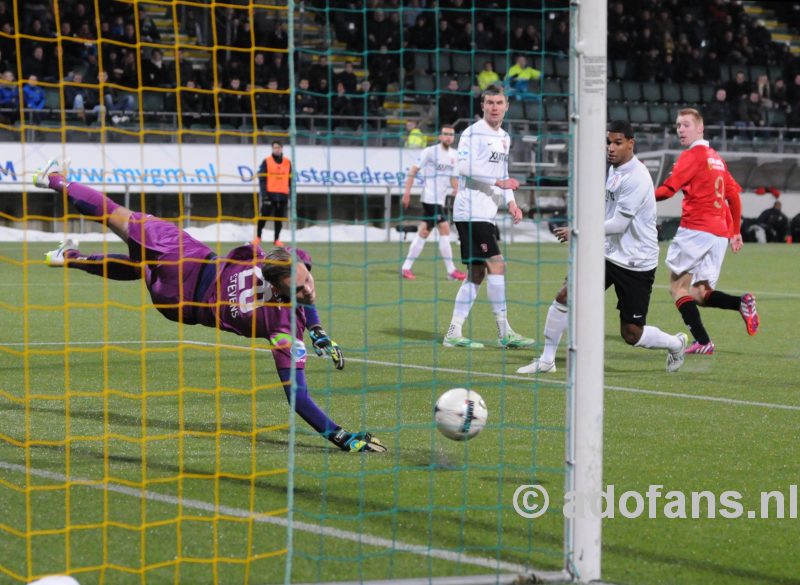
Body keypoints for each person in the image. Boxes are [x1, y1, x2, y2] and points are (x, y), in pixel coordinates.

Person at [34, 158, 384, 453]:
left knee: (118, 216)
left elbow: (298, 299)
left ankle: (53, 179)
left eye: (305, 285)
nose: (309, 288)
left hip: (190, 261)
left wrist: (317, 328)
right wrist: (341, 436)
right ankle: (70, 257)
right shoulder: (282, 329)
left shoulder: (277, 262)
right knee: (140, 263)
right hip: (177, 305)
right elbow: (299, 397)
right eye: (305, 283)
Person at [517, 121, 688, 374]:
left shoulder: (637, 178)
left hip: (636, 262)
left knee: (631, 333)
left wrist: (579, 230)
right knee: (565, 295)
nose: (611, 148)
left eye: (617, 143)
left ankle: (675, 343)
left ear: (631, 143)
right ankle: (547, 360)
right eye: (608, 142)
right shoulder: (614, 169)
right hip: (606, 253)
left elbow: (619, 224)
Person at [655, 108, 759, 355]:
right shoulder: (716, 158)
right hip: (718, 235)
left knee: (677, 288)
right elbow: (733, 195)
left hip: (696, 230)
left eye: (686, 125)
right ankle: (741, 303)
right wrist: (735, 231)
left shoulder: (692, 156)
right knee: (700, 293)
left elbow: (669, 190)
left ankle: (702, 341)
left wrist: (641, 197)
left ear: (700, 128)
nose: (681, 129)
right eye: (678, 125)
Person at [443, 85, 534, 349]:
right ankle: (504, 332)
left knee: (476, 273)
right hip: (471, 211)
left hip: (486, 214)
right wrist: (499, 182)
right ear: (482, 106)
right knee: (497, 264)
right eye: (490, 103)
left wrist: (512, 203)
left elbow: (503, 173)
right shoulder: (473, 133)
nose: (494, 107)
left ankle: (453, 332)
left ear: (507, 106)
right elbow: (465, 167)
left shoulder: (505, 136)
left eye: (499, 103)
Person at [400, 125, 466, 282]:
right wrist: (407, 192)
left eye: (451, 134)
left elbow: (453, 177)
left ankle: (406, 267)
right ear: (440, 136)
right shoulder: (430, 152)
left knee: (423, 232)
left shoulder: (454, 155)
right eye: (445, 134)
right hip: (430, 198)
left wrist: (456, 188)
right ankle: (451, 271)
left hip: (440, 200)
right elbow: (413, 171)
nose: (448, 137)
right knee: (444, 228)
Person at [255, 141, 292, 247]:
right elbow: (262, 178)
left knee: (278, 219)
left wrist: (290, 194)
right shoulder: (266, 161)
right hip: (269, 195)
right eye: (275, 147)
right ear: (272, 149)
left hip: (282, 195)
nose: (277, 149)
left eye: (278, 147)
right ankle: (258, 237)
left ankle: (276, 239)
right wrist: (264, 194)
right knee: (263, 217)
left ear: (282, 148)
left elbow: (290, 180)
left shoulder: (287, 162)